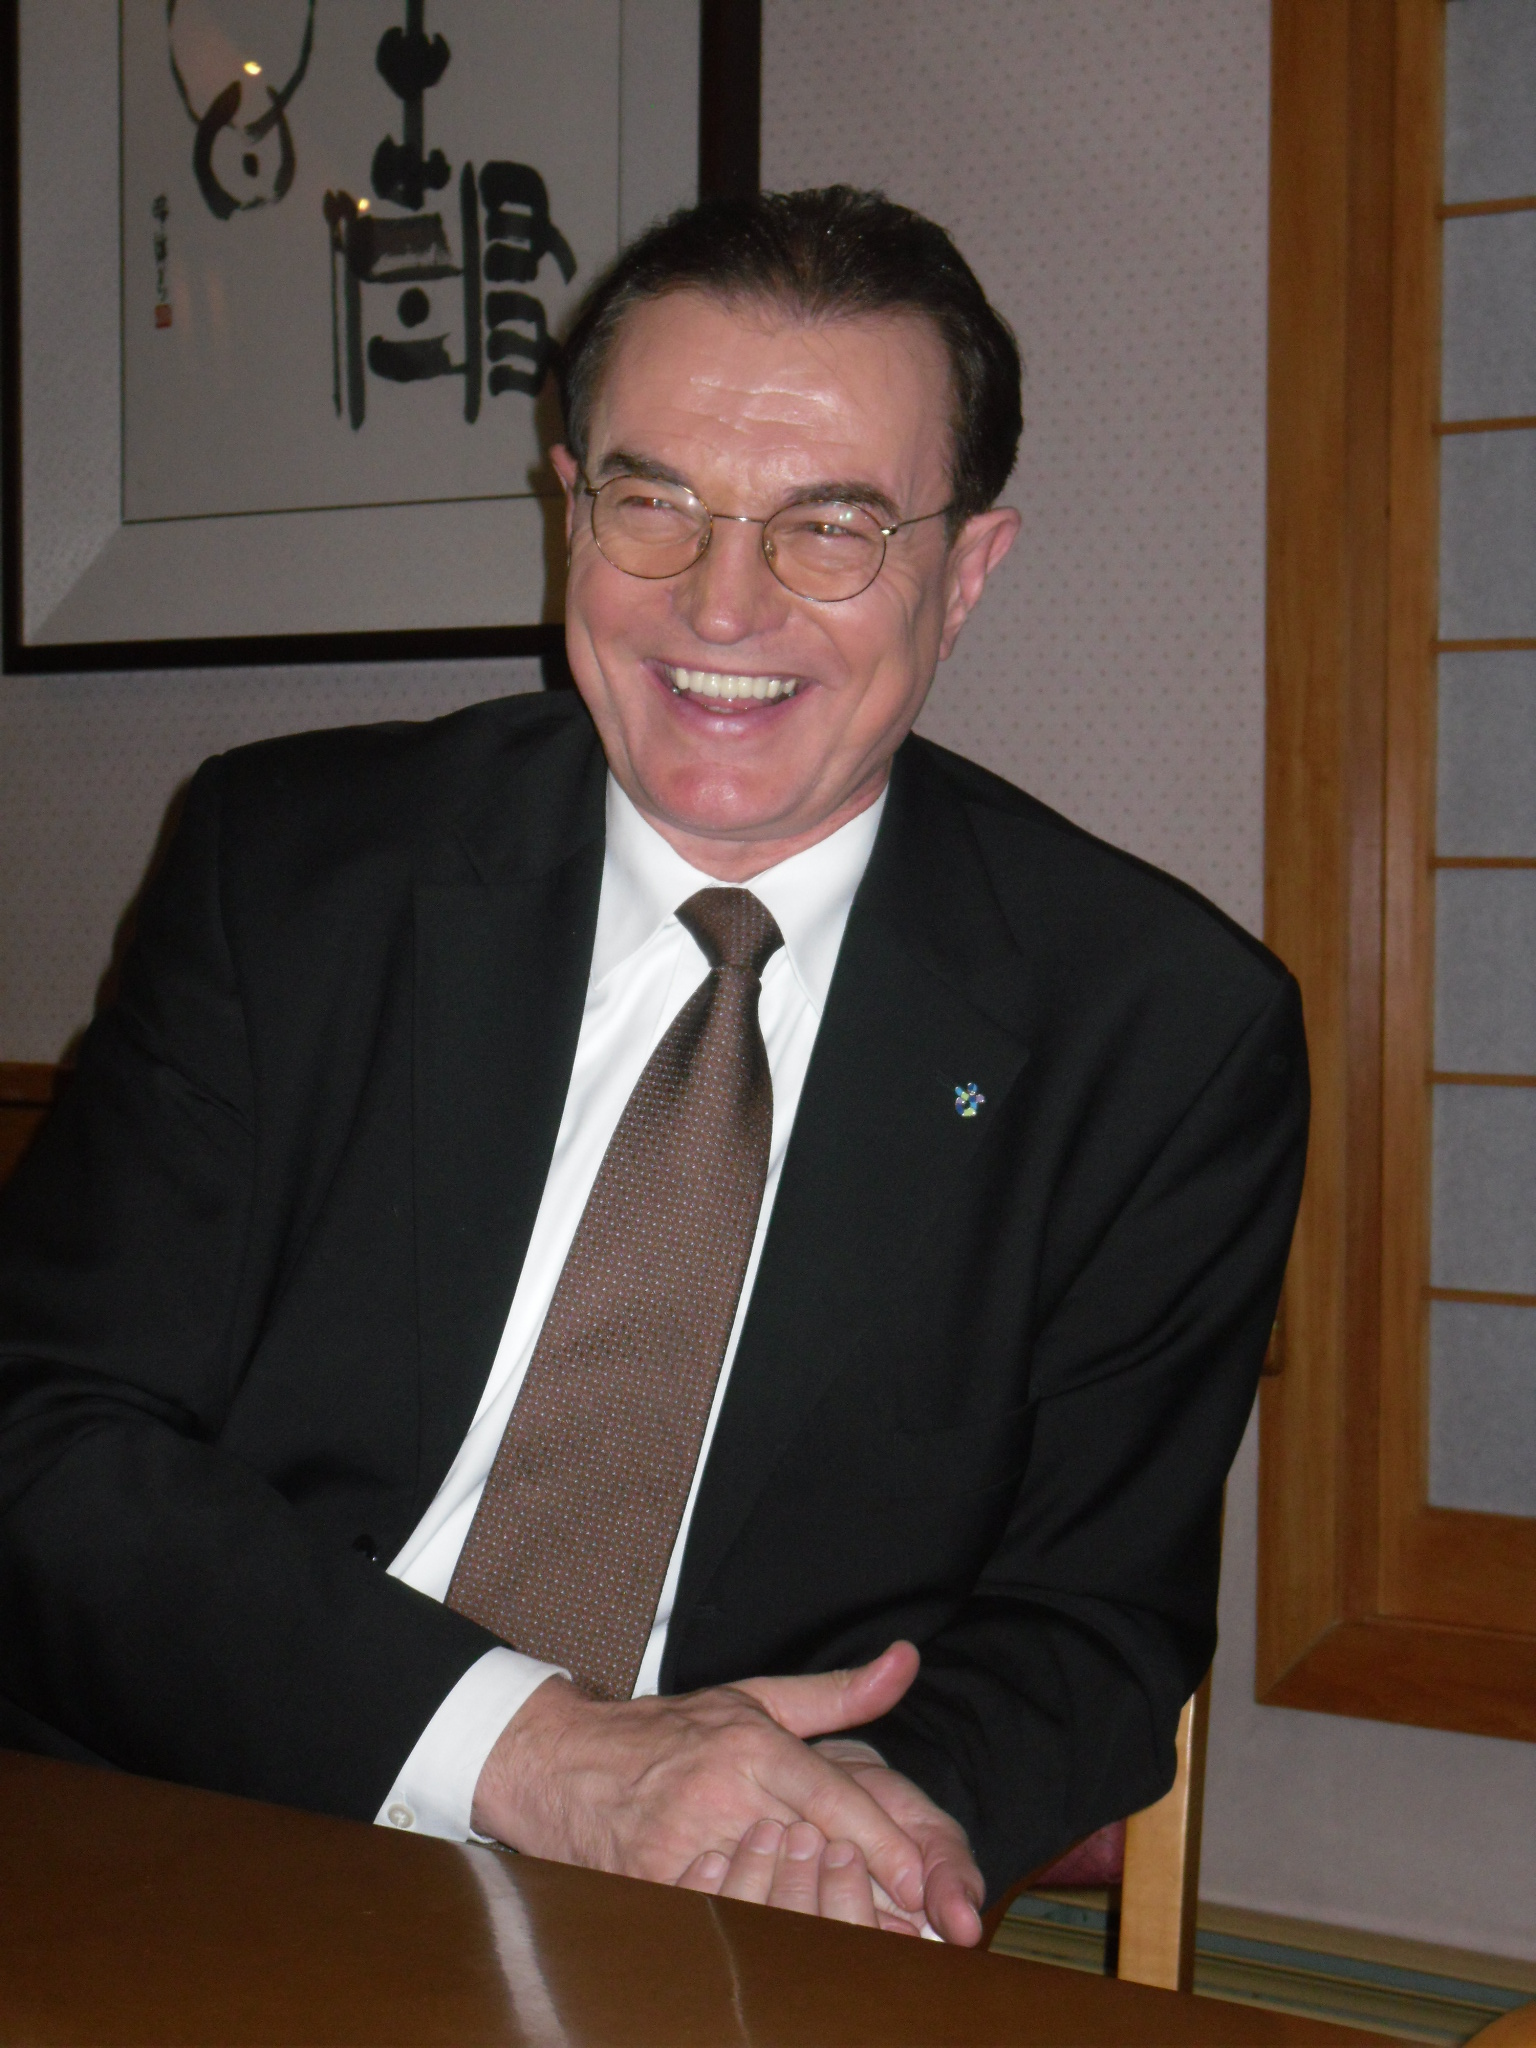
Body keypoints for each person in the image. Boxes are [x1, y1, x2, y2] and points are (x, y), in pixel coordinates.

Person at [0, 187, 1306, 1944]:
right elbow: (46, 1431)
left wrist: (834, 1840)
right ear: (570, 509)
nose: (722, 604)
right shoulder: (292, 874)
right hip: (185, 1818)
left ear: (969, 570)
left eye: (831, 527)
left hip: (726, 1924)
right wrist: (536, 1757)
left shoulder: (1158, 1032)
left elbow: (1091, 1623)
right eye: (653, 505)